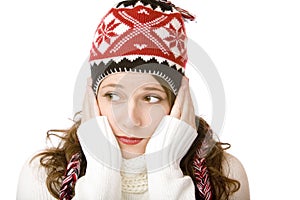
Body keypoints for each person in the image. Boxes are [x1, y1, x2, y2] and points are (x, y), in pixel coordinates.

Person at [17, 0, 250, 199]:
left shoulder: (225, 174)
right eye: (113, 95)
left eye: (150, 98)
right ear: (93, 97)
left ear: (178, 100)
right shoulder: (43, 175)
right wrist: (103, 171)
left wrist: (166, 170)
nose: (130, 119)